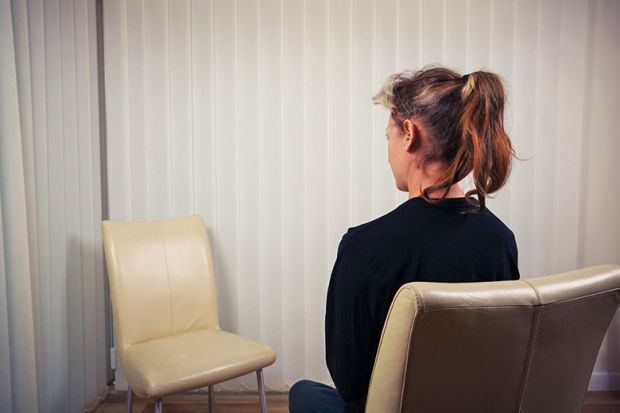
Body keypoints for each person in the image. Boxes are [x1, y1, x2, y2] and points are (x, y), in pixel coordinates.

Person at [289, 66, 520, 413]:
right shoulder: (500, 239)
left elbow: (349, 381)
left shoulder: (363, 248)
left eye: (388, 137)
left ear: (409, 134)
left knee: (302, 393)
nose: (388, 151)